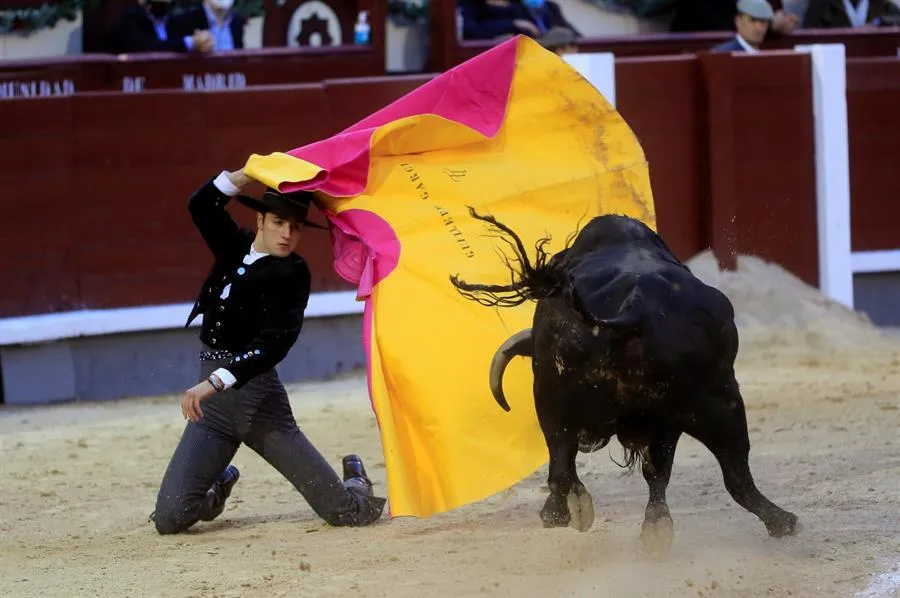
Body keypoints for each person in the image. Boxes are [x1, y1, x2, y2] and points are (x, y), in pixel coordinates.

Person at [150, 168, 387, 534]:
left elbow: (273, 344)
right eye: (279, 222)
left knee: (344, 512)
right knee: (170, 518)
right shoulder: (233, 245)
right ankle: (219, 482)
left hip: (258, 405)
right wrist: (248, 172)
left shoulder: (293, 273)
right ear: (260, 219)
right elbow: (201, 205)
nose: (287, 234)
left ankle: (355, 479)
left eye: (295, 227)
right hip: (213, 410)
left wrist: (213, 382)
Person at [106, 0, 214, 54]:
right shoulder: (129, 21)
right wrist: (189, 43)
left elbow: (198, 40)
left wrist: (203, 42)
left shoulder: (178, 21)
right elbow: (147, 50)